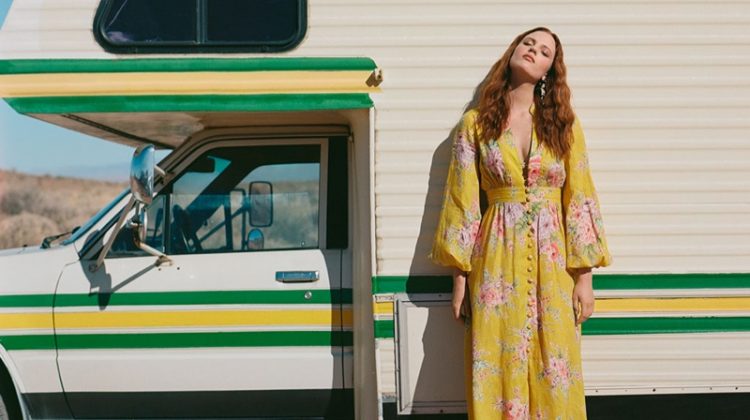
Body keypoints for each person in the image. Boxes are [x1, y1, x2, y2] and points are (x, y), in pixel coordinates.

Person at [429, 27, 612, 419]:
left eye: (544, 51)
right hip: (495, 261)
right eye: (528, 43)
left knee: (556, 363)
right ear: (513, 51)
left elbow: (579, 196)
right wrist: (459, 278)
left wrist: (584, 277)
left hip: (554, 262)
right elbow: (462, 202)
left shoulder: (564, 126)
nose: (534, 50)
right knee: (495, 359)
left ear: (549, 70)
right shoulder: (475, 126)